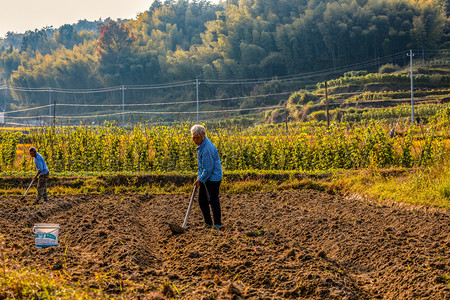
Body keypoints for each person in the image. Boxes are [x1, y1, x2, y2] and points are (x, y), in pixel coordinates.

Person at [191, 125, 223, 229]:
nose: (195, 140)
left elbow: (208, 169)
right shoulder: (201, 145)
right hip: (206, 175)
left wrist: (201, 179)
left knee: (213, 200)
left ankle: (217, 224)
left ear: (203, 136)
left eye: (197, 137)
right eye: (193, 137)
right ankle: (208, 223)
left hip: (213, 177)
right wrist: (200, 176)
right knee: (202, 200)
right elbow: (203, 166)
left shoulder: (206, 149)